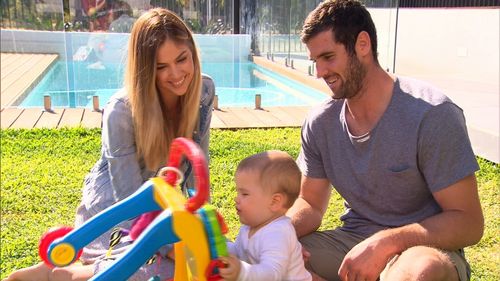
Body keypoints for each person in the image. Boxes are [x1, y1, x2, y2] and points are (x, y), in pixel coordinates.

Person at [3, 7, 215, 281]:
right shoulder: (122, 110)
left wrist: (204, 225)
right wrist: (166, 244)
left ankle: (67, 271)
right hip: (115, 205)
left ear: (192, 53)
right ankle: (62, 275)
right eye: (161, 67)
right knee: (161, 270)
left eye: (182, 59)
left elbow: (200, 166)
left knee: (198, 264)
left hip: (162, 201)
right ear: (146, 68)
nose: (175, 74)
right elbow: (126, 194)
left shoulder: (204, 91)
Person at [286, 1, 484, 281]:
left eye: (328, 57)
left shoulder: (432, 114)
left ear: (362, 44)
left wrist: (388, 242)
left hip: (422, 246)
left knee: (418, 272)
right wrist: (276, 235)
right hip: (352, 241)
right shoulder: (321, 123)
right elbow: (310, 203)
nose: (319, 72)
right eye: (315, 61)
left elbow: (469, 222)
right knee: (279, 259)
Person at [219, 151, 312, 281]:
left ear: (274, 202)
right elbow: (238, 251)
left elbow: (272, 274)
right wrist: (216, 241)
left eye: (244, 194)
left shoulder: (278, 233)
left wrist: (241, 271)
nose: (236, 199)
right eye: (238, 192)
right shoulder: (249, 227)